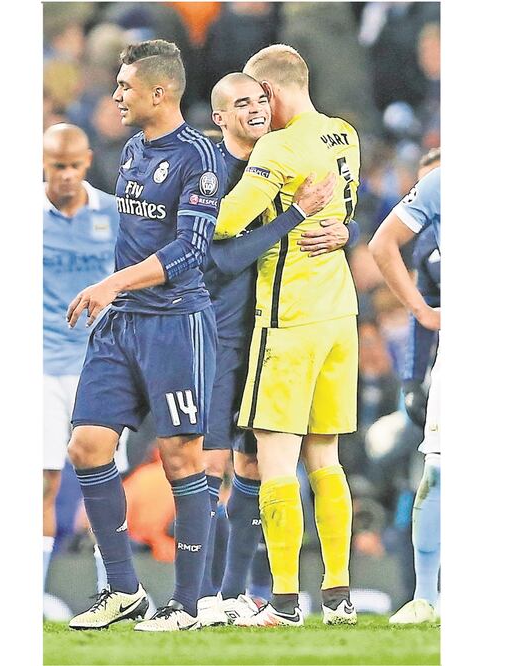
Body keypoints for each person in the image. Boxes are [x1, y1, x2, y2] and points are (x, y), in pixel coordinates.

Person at [64, 39, 226, 632]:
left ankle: (187, 602)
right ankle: (124, 591)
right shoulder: (133, 149)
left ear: (160, 92)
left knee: (182, 459)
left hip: (176, 323)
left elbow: (191, 250)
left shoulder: (199, 158)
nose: (116, 96)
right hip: (122, 324)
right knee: (87, 445)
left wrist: (112, 282)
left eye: (126, 86)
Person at [196, 72, 359, 626]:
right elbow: (342, 209)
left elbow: (217, 225)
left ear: (269, 88)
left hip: (286, 320)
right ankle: (337, 596)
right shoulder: (344, 134)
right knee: (326, 460)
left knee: (274, 463)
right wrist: (341, 227)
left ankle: (282, 602)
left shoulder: (277, 147)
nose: (256, 105)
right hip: (340, 312)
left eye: (256, 94)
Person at [41, 123, 120, 616]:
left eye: (74, 167)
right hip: (42, 368)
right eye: (57, 167)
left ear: (87, 162)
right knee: (42, 481)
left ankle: (113, 592)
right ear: (42, 164)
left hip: (102, 367)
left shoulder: (113, 213)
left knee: (102, 482)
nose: (67, 176)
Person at [367, 162, 442, 625]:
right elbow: (381, 243)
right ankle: (424, 596)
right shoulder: (441, 184)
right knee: (438, 467)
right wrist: (422, 310)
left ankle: (425, 597)